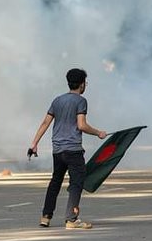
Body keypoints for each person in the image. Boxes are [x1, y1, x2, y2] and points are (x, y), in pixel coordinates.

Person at [30, 68, 107, 229]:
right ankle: (71, 219)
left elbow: (45, 123)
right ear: (81, 84)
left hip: (57, 150)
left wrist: (34, 143)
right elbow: (81, 125)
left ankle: (46, 216)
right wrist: (98, 132)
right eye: (85, 83)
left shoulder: (57, 100)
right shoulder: (81, 101)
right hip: (73, 150)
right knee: (76, 183)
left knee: (55, 182)